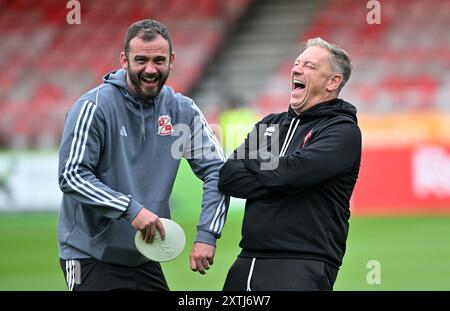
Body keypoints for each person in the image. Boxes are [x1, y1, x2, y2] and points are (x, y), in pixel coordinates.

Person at [57, 19, 229, 291]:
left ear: (171, 60)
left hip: (145, 254)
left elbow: (217, 169)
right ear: (124, 60)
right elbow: (72, 176)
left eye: (159, 60)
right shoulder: (94, 107)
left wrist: (207, 234)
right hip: (88, 255)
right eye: (141, 60)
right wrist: (130, 209)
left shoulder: (182, 110)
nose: (150, 69)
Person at [218, 37, 361, 291]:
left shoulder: (342, 131)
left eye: (309, 66)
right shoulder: (272, 122)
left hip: (302, 263)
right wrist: (283, 178)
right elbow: (229, 177)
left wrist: (257, 158)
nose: (296, 69)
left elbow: (288, 174)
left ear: (333, 82)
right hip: (246, 260)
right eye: (297, 63)